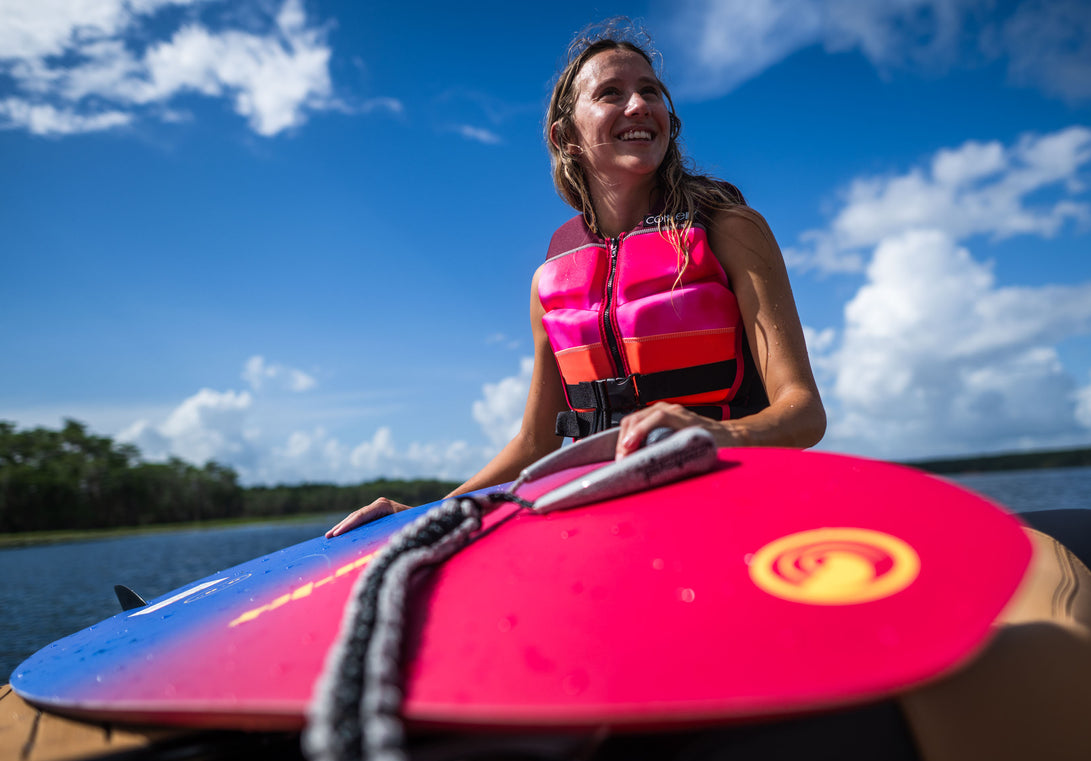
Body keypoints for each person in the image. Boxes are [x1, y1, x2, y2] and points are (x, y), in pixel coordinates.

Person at [326, 21, 825, 539]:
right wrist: (424, 514)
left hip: (729, 505)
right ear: (566, 137)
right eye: (611, 94)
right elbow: (535, 444)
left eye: (650, 91)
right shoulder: (552, 280)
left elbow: (803, 413)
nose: (638, 106)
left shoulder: (729, 228)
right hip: (609, 527)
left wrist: (715, 434)